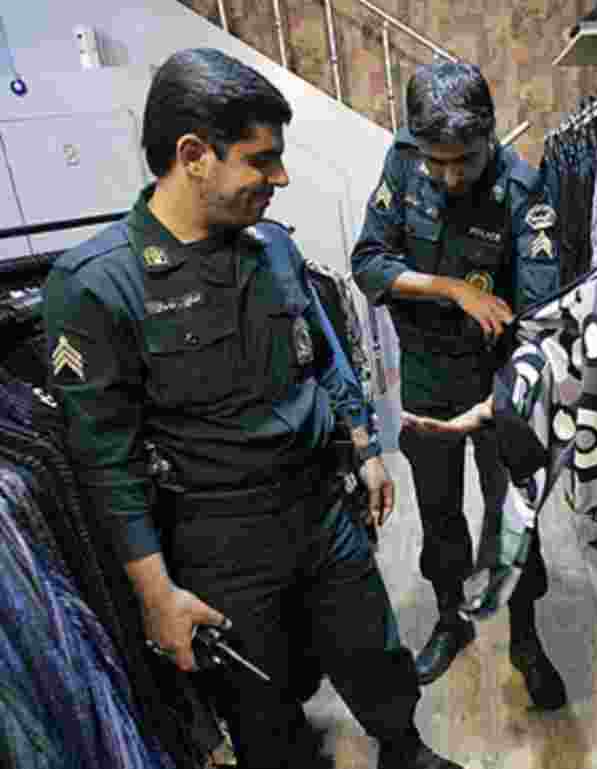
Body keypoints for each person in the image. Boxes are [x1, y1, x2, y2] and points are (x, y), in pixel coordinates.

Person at [43, 48, 463, 769]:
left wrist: (363, 449)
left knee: (374, 653)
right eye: (261, 161)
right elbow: (105, 466)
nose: (281, 178)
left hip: (322, 510)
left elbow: (324, 358)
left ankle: (405, 748)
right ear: (193, 155)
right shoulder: (97, 286)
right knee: (265, 711)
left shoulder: (273, 250)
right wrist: (157, 596)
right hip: (219, 538)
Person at [350, 61, 567, 709]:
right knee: (440, 514)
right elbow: (368, 262)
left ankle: (526, 635)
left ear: (490, 138)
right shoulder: (403, 162)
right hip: (424, 375)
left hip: (498, 379)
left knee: (513, 515)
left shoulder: (524, 190)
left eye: (463, 162)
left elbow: (538, 311)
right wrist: (445, 287)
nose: (448, 176)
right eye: (437, 161)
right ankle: (452, 618)